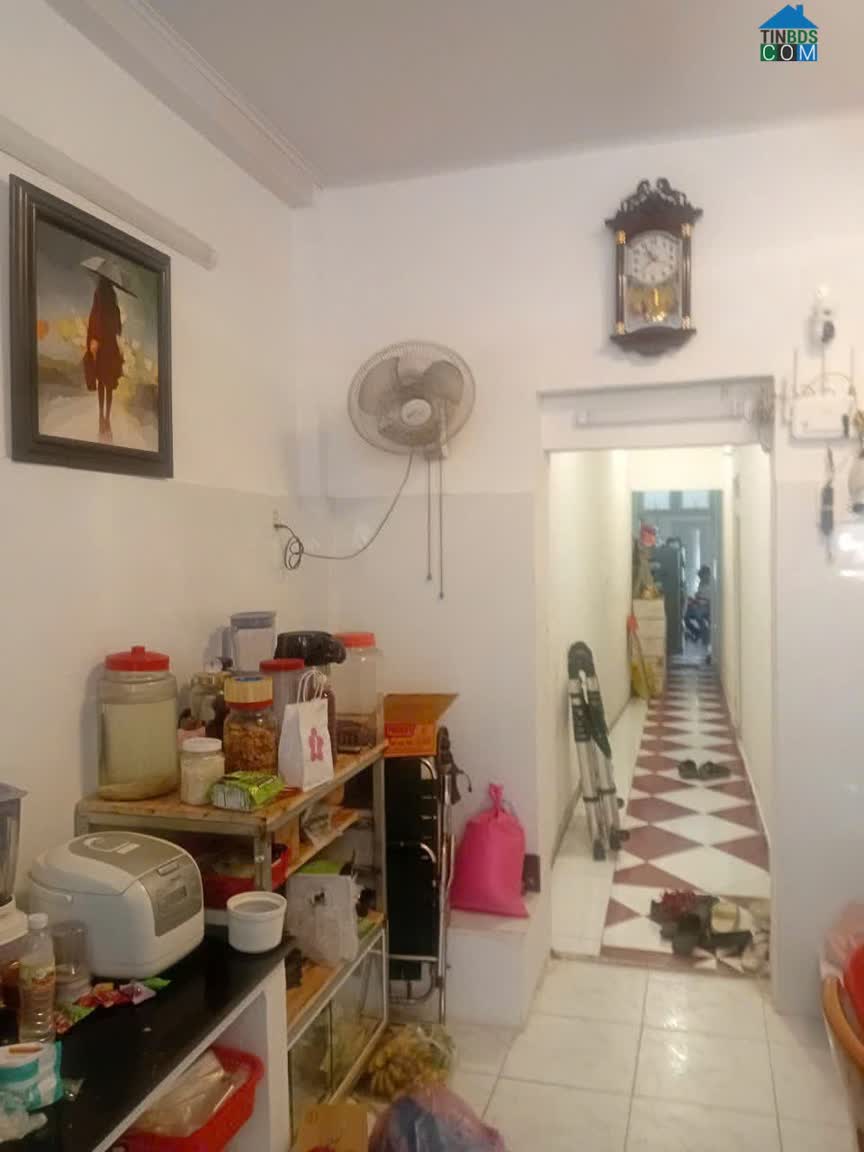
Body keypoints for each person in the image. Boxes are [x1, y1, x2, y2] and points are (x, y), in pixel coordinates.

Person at [684, 564, 711, 644]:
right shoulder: (701, 583)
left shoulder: (711, 585)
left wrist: (698, 600)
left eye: (702, 576)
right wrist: (694, 598)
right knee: (686, 616)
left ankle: (705, 635)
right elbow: (700, 595)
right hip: (700, 605)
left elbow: (709, 599)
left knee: (698, 615)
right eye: (700, 576)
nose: (700, 578)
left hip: (707, 607)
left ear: (707, 574)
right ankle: (697, 632)